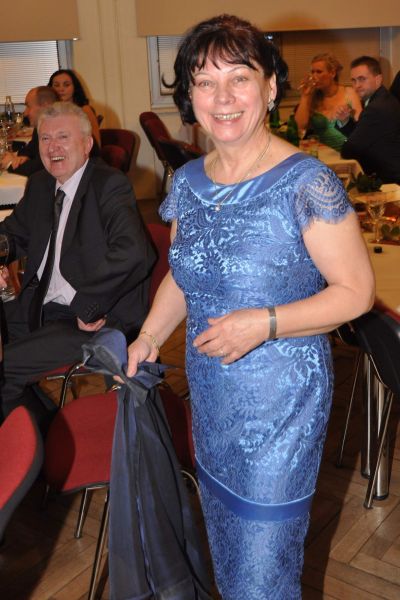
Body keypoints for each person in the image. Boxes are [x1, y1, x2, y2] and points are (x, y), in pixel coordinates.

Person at [124, 14, 375, 600]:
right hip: (212, 399)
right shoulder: (188, 181)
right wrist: (149, 337)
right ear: (189, 97)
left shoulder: (306, 182)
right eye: (205, 82)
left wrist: (264, 323)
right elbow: (185, 274)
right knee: (229, 557)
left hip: (280, 407)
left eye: (239, 78)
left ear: (269, 86)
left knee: (264, 573)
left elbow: (356, 292)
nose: (223, 97)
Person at [0, 102, 155, 423]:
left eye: (63, 137)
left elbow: (134, 252)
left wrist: (89, 305)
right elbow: (12, 235)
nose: (52, 147)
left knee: (4, 369)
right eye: (45, 138)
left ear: (86, 144)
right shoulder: (41, 185)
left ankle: (37, 441)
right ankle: (41, 423)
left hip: (92, 317)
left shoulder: (108, 185)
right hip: (41, 305)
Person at [338, 56, 400, 183]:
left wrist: (347, 143)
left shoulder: (376, 107)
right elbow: (361, 136)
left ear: (378, 79)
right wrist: (345, 122)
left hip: (388, 180)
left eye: (362, 79)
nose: (357, 85)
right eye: (354, 80)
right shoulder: (382, 99)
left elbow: (349, 150)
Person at [295, 52, 362, 151]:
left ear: (332, 73)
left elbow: (361, 127)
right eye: (312, 72)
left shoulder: (349, 93)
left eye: (319, 72)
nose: (314, 76)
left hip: (347, 151)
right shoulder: (312, 97)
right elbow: (299, 126)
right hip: (323, 153)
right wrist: (305, 96)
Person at [0, 86, 58, 176]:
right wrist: (21, 157)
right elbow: (32, 148)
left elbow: (36, 169)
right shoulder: (42, 126)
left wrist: (10, 163)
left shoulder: (55, 132)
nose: (25, 113)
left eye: (28, 106)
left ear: (45, 106)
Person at [48, 69, 101, 146]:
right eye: (56, 85)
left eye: (66, 85)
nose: (61, 89)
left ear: (74, 87)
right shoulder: (49, 112)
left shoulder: (85, 110)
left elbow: (96, 142)